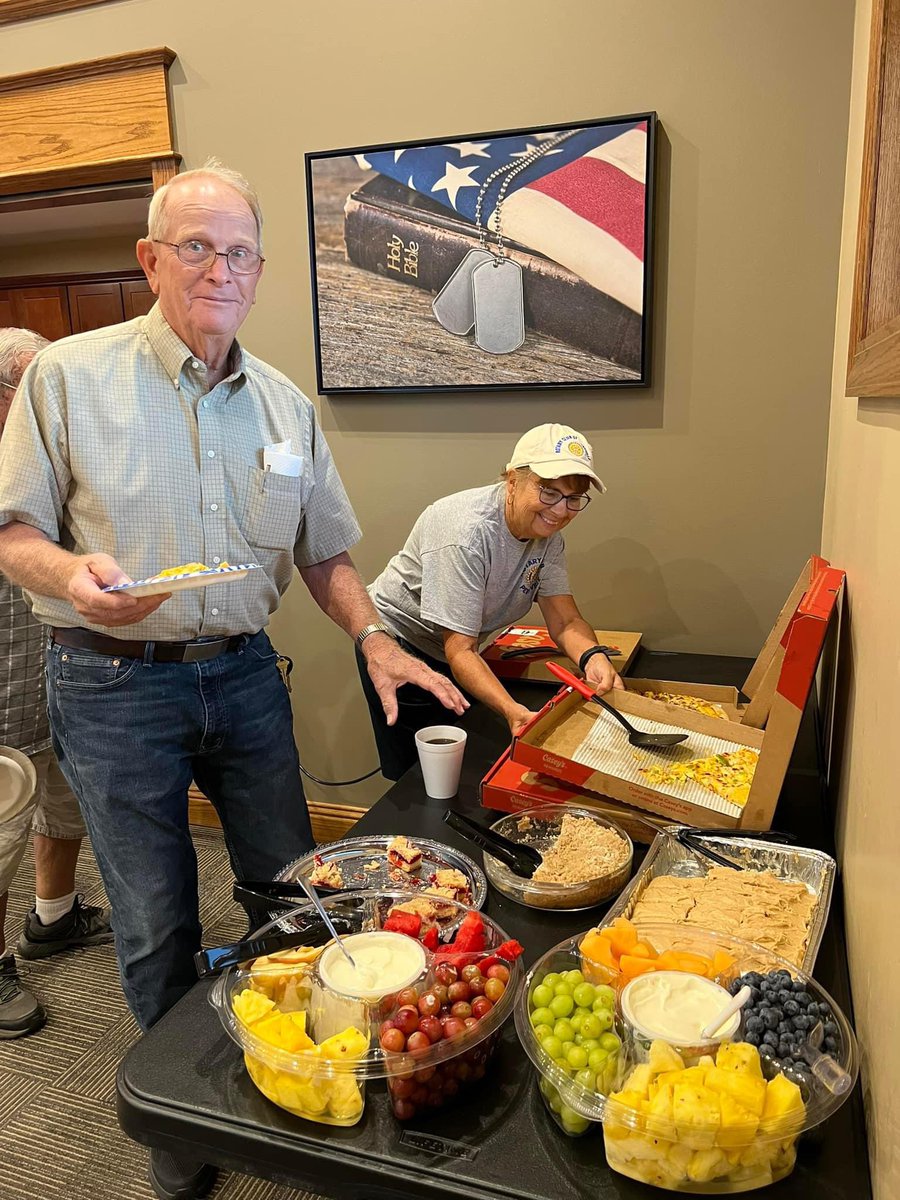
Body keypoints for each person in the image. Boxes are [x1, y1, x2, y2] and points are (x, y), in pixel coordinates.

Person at [0, 162, 465, 1198]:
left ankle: (302, 1053)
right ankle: (182, 1111)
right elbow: (12, 531)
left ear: (260, 269)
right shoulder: (68, 376)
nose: (220, 267)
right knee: (155, 910)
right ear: (151, 260)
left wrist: (375, 637)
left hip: (245, 674)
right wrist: (72, 574)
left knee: (291, 886)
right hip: (111, 680)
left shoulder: (286, 406)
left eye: (239, 250)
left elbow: (325, 556)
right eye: (196, 246)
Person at [361, 423, 624, 779]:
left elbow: (565, 621)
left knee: (467, 764)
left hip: (457, 650)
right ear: (513, 481)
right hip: (403, 647)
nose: (561, 511)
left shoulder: (546, 536)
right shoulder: (465, 535)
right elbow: (461, 651)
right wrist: (512, 711)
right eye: (549, 492)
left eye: (573, 499)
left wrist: (592, 656)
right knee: (423, 777)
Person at [0, 329, 112, 1042]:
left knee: (61, 802)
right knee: (1, 828)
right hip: (0, 683)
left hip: (60, 674)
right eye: (32, 389)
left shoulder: (55, 454)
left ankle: (55, 915)